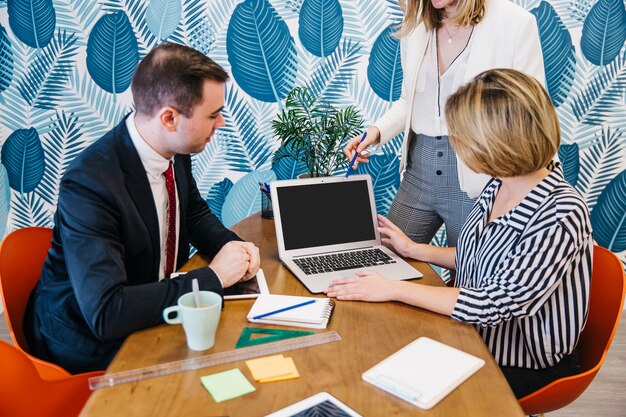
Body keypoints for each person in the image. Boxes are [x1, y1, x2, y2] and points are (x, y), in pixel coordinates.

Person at [327, 69, 592, 399]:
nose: (456, 148)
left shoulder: (559, 213)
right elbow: (482, 257)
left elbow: (491, 303)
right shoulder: (500, 183)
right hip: (473, 333)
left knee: (393, 384)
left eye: (462, 138)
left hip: (522, 361)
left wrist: (391, 289)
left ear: (497, 144)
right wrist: (417, 250)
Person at [24, 43, 260, 374]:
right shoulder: (89, 184)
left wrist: (229, 245)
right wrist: (215, 276)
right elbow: (107, 312)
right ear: (169, 117)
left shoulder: (175, 148)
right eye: (213, 114)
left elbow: (192, 212)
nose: (221, 123)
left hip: (152, 304)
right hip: (89, 339)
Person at [344, 0, 545, 249]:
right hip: (419, 171)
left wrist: (541, 191)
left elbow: (532, 111)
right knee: (385, 255)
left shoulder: (515, 23)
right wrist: (375, 133)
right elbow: (410, 99)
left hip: (479, 175)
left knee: (468, 274)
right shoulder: (417, 22)